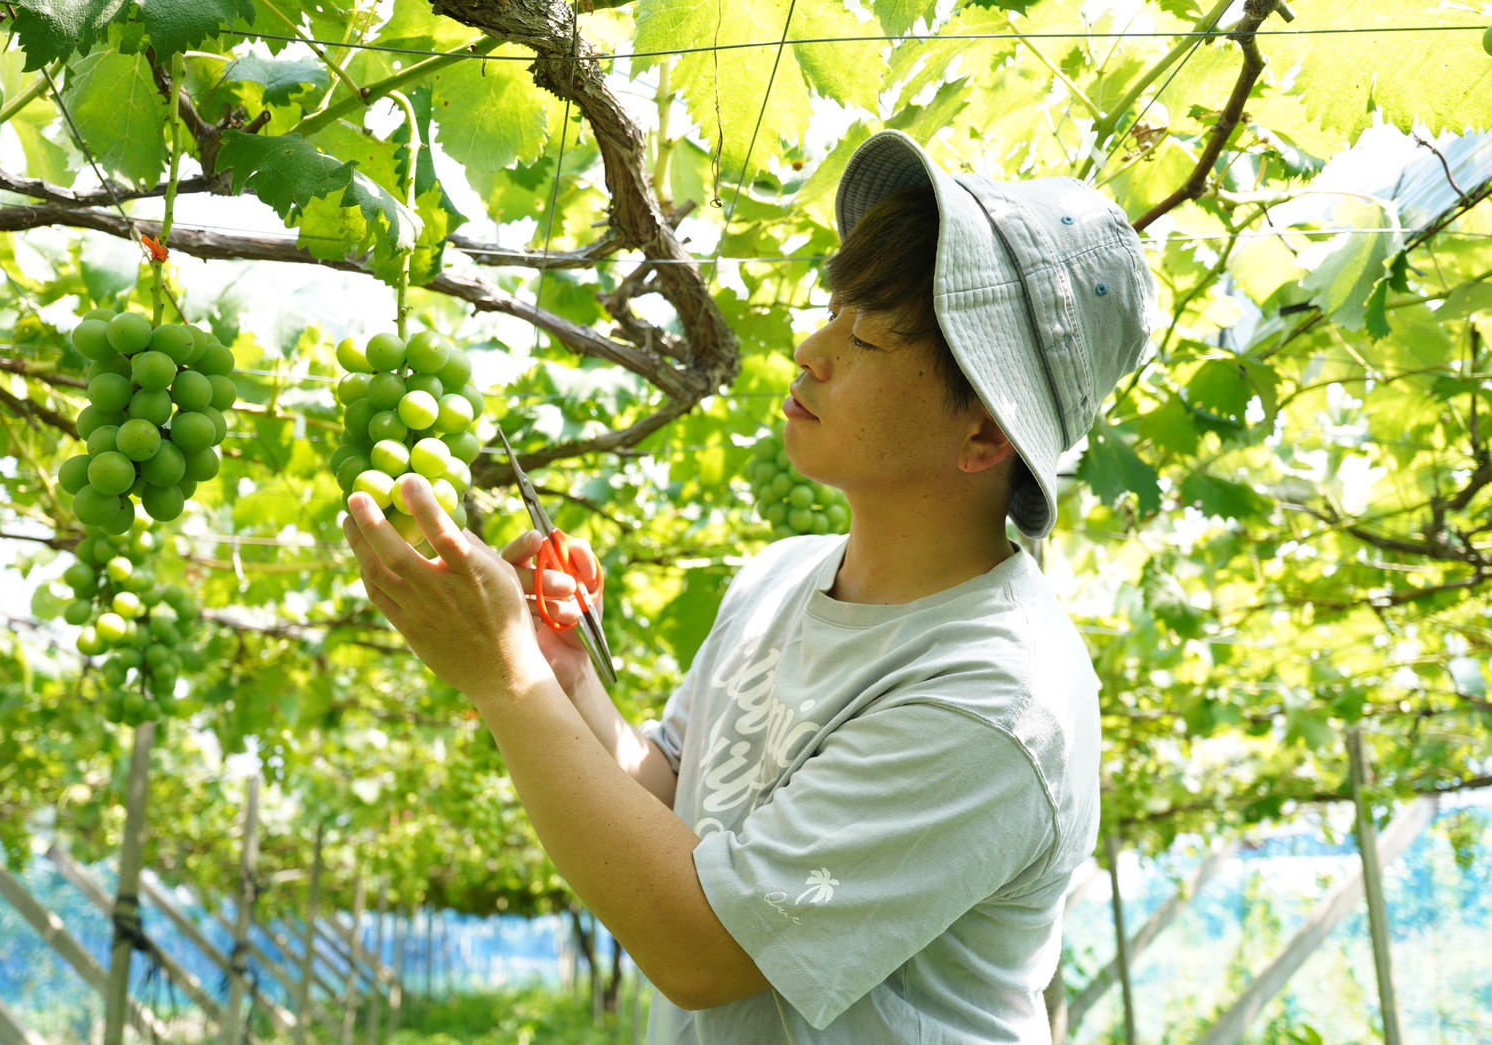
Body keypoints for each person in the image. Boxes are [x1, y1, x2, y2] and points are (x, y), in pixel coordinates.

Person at [343, 129, 1154, 1043]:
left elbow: (703, 948)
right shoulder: (779, 577)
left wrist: (502, 677)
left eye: (870, 336)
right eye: (833, 309)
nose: (811, 349)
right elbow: (679, 807)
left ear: (983, 437)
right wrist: (565, 678)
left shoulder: (999, 701)